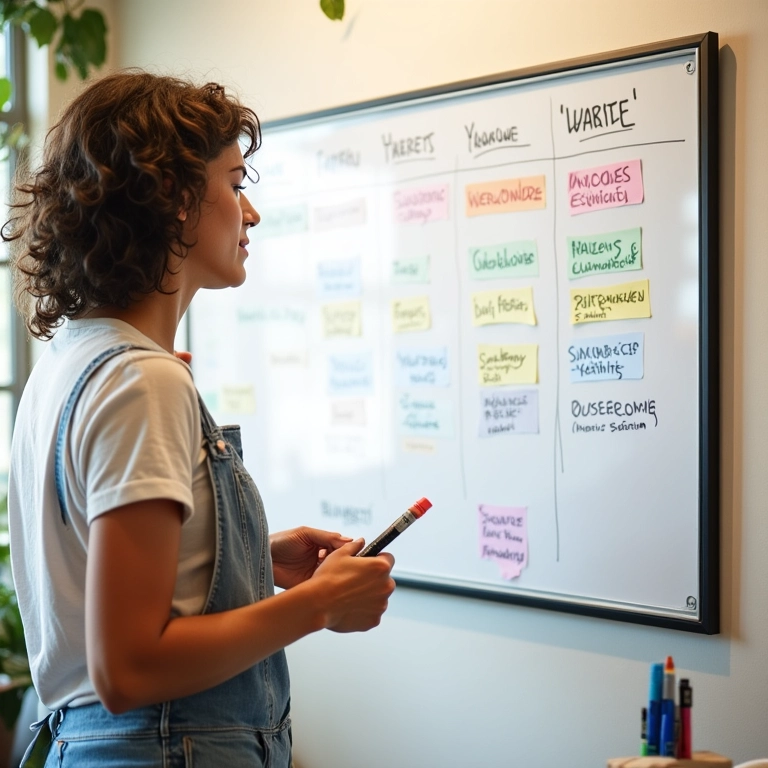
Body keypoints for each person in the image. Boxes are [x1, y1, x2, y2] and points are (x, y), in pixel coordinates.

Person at [3, 71, 396, 767]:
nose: (251, 214)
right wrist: (319, 607)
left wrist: (250, 557)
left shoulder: (70, 359)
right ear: (176, 199)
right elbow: (128, 669)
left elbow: (105, 578)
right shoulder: (142, 379)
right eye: (237, 184)